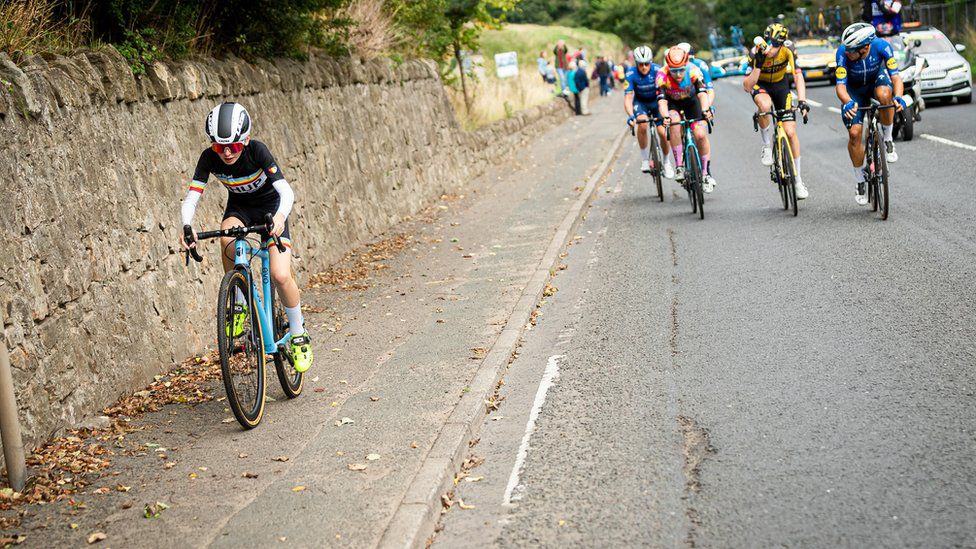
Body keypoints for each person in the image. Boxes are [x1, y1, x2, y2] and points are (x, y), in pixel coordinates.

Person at [179, 102, 314, 372]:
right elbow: (192, 197)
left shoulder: (258, 151)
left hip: (270, 211)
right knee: (226, 238)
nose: (227, 153)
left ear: (246, 140)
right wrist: (187, 226)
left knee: (280, 275)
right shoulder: (208, 158)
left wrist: (278, 218)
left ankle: (298, 333)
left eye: (234, 146)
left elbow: (286, 192)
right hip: (240, 209)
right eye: (219, 147)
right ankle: (239, 301)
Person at [834, 22, 906, 205]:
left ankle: (888, 139)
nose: (848, 52)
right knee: (854, 134)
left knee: (885, 96)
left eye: (852, 50)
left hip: (876, 81)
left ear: (865, 47)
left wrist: (899, 97)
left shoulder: (882, 47)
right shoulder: (842, 53)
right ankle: (859, 180)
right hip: (854, 91)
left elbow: (896, 77)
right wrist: (847, 102)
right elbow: (840, 86)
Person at [743, 23, 810, 199]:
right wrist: (758, 64)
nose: (772, 48)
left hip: (781, 86)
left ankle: (798, 180)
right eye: (770, 43)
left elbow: (797, 76)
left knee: (790, 131)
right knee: (764, 106)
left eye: (776, 44)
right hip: (761, 85)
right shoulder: (755, 52)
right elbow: (747, 86)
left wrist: (802, 101)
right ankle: (766, 146)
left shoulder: (788, 50)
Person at [657, 46, 716, 192]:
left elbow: (702, 94)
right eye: (674, 70)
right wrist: (665, 116)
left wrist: (706, 109)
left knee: (700, 135)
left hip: (692, 102)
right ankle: (679, 166)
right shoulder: (662, 75)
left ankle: (705, 173)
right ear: (668, 67)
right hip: (673, 104)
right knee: (674, 122)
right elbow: (662, 101)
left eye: (681, 70)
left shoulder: (694, 70)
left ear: (686, 65)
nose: (678, 74)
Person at [624, 45, 671, 176]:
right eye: (640, 64)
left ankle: (667, 162)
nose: (644, 67)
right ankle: (645, 159)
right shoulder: (630, 73)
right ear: (636, 63)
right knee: (642, 124)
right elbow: (628, 98)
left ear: (651, 62)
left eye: (646, 64)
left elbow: (667, 91)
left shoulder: (658, 70)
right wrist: (630, 115)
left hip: (657, 102)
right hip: (641, 103)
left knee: (663, 133)